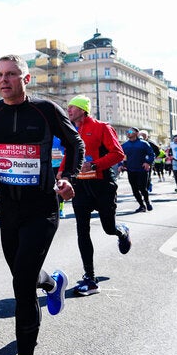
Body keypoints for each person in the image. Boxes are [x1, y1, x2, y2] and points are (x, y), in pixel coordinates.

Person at [0, 54, 82, 355]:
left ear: (26, 78)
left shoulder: (46, 110)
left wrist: (67, 179)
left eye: (11, 74)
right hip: (9, 210)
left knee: (20, 285)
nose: (4, 80)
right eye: (0, 75)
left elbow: (75, 144)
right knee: (26, 275)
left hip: (43, 209)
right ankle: (52, 283)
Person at [64, 95, 130, 297]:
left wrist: (94, 164)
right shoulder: (73, 131)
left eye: (73, 108)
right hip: (81, 186)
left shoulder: (102, 127)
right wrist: (61, 173)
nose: (69, 111)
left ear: (84, 109)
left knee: (108, 228)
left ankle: (121, 232)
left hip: (102, 185)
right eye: (68, 108)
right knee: (82, 231)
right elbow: (70, 154)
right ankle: (90, 278)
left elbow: (118, 154)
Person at [121, 128, 155, 212]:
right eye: (127, 132)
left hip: (142, 170)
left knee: (143, 188)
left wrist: (147, 162)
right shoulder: (125, 145)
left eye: (130, 132)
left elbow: (151, 154)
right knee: (134, 190)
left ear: (136, 133)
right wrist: (120, 165)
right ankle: (141, 205)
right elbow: (121, 156)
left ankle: (147, 202)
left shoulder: (144, 144)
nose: (128, 133)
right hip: (131, 170)